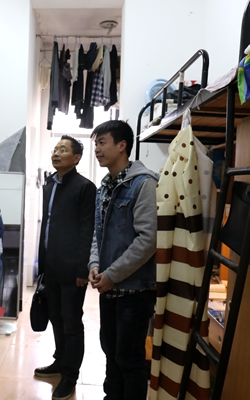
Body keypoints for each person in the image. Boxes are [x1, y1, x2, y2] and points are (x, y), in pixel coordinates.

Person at [88, 120, 159, 400]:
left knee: (130, 359)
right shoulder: (105, 185)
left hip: (134, 290)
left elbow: (147, 240)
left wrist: (111, 275)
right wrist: (94, 265)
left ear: (122, 145)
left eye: (102, 142)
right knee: (110, 352)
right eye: (95, 143)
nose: (97, 149)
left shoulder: (144, 184)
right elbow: (98, 233)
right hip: (109, 287)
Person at [34, 135, 96, 400]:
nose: (56, 153)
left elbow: (87, 230)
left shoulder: (85, 188)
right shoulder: (50, 183)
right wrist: (42, 263)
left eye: (63, 149)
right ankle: (60, 361)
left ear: (76, 158)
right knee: (55, 318)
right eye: (55, 149)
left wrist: (82, 270)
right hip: (51, 265)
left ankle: (70, 376)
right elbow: (47, 224)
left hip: (72, 270)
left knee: (71, 322)